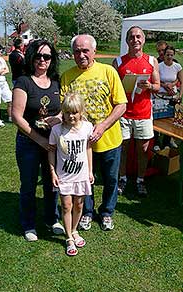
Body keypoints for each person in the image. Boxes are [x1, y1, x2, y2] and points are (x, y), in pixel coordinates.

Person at [60, 34, 127, 231]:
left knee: (111, 179)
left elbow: (121, 105)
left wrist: (103, 125)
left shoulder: (108, 72)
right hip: (80, 144)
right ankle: (87, 212)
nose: (81, 55)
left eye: (85, 50)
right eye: (77, 51)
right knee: (84, 179)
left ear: (94, 52)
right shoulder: (67, 76)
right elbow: (63, 109)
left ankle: (106, 212)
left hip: (109, 139)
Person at [12, 39, 65, 242]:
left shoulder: (56, 81)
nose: (42, 60)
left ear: (52, 59)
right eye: (38, 56)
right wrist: (39, 140)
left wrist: (58, 118)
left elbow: (62, 109)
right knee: (29, 184)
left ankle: (52, 219)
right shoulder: (24, 81)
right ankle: (28, 224)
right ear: (32, 57)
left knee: (52, 182)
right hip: (29, 143)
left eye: (47, 56)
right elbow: (17, 117)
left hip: (52, 142)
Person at [112, 26, 160, 196]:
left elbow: (157, 86)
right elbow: (113, 88)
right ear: (127, 41)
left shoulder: (151, 61)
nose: (135, 40)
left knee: (144, 149)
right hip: (123, 113)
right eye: (132, 37)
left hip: (144, 113)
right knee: (123, 148)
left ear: (144, 39)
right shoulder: (118, 62)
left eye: (138, 36)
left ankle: (140, 180)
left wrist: (149, 86)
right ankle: (123, 178)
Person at [48, 93, 94, 256]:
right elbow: (51, 151)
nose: (71, 116)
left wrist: (90, 171)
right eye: (67, 112)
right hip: (64, 176)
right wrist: (53, 172)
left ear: (81, 112)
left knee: (79, 205)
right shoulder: (56, 130)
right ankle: (68, 237)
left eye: (74, 112)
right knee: (67, 206)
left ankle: (74, 230)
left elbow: (88, 149)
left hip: (81, 175)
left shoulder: (88, 127)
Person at [153, 45, 183, 150]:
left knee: (170, 121)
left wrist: (179, 95)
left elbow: (181, 81)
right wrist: (164, 85)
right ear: (163, 55)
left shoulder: (177, 66)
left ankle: (166, 143)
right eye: (167, 54)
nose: (169, 56)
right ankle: (156, 142)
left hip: (172, 98)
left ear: (173, 55)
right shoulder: (159, 66)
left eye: (171, 55)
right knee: (157, 120)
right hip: (159, 97)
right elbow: (154, 80)